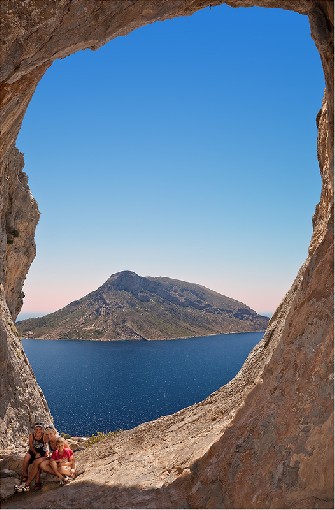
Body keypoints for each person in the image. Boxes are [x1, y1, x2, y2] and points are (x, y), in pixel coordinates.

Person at [14, 422, 48, 492]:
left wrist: (43, 455)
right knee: (26, 457)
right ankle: (25, 475)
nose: (38, 431)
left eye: (40, 429)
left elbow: (46, 446)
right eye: (36, 429)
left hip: (41, 452)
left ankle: (37, 482)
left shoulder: (44, 435)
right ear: (34, 429)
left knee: (37, 463)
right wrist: (35, 453)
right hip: (33, 451)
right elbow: (31, 446)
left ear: (42, 429)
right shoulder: (31, 435)